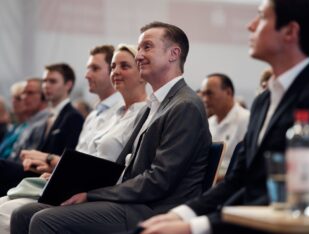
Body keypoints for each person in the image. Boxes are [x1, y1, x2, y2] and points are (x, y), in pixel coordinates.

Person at [11, 22, 211, 234]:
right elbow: (119, 169)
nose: (139, 55)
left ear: (173, 54)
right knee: (23, 213)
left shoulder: (185, 105)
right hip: (134, 202)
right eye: (139, 48)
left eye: (147, 47)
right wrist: (75, 186)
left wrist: (93, 194)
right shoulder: (155, 105)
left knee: (44, 221)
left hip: (156, 209)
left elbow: (159, 181)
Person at [139, 0, 309, 233]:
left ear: (290, 31)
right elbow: (239, 180)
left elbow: (290, 196)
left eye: (261, 17)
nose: (250, 26)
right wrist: (181, 214)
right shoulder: (264, 100)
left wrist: (197, 226)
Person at [0, 44, 147, 234]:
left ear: (141, 72)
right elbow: (84, 158)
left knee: (14, 213)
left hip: (100, 193)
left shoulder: (143, 113)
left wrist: (53, 163)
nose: (116, 72)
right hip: (78, 186)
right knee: (7, 206)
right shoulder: (115, 113)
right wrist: (59, 174)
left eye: (124, 66)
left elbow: (124, 169)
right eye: (112, 67)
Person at [0, 64, 84, 196]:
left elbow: (68, 158)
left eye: (53, 81)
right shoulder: (52, 115)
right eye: (45, 81)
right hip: (36, 169)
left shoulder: (73, 116)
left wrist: (42, 162)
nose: (46, 85)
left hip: (49, 175)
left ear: (68, 85)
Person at [201, 73, 250, 178]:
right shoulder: (207, 124)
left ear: (228, 92)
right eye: (203, 94)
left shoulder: (247, 120)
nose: (205, 99)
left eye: (209, 94)